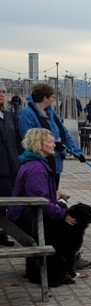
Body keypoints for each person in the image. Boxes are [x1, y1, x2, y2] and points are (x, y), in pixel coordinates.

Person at [7, 128, 77, 287]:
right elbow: (42, 203)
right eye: (50, 142)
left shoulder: (34, 163)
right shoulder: (37, 168)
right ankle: (54, 274)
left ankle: (43, 270)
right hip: (27, 216)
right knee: (67, 226)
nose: (55, 144)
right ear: (39, 145)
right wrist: (63, 214)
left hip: (26, 213)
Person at [18, 83, 85, 188]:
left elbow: (64, 132)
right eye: (53, 97)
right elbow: (28, 140)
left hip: (55, 162)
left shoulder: (51, 113)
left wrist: (76, 152)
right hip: (39, 165)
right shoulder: (26, 114)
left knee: (53, 193)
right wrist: (52, 143)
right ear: (45, 98)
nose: (54, 99)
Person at [0, 84, 22, 246]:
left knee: (7, 202)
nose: (1, 94)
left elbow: (17, 139)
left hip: (11, 165)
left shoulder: (8, 115)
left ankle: (3, 234)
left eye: (2, 92)